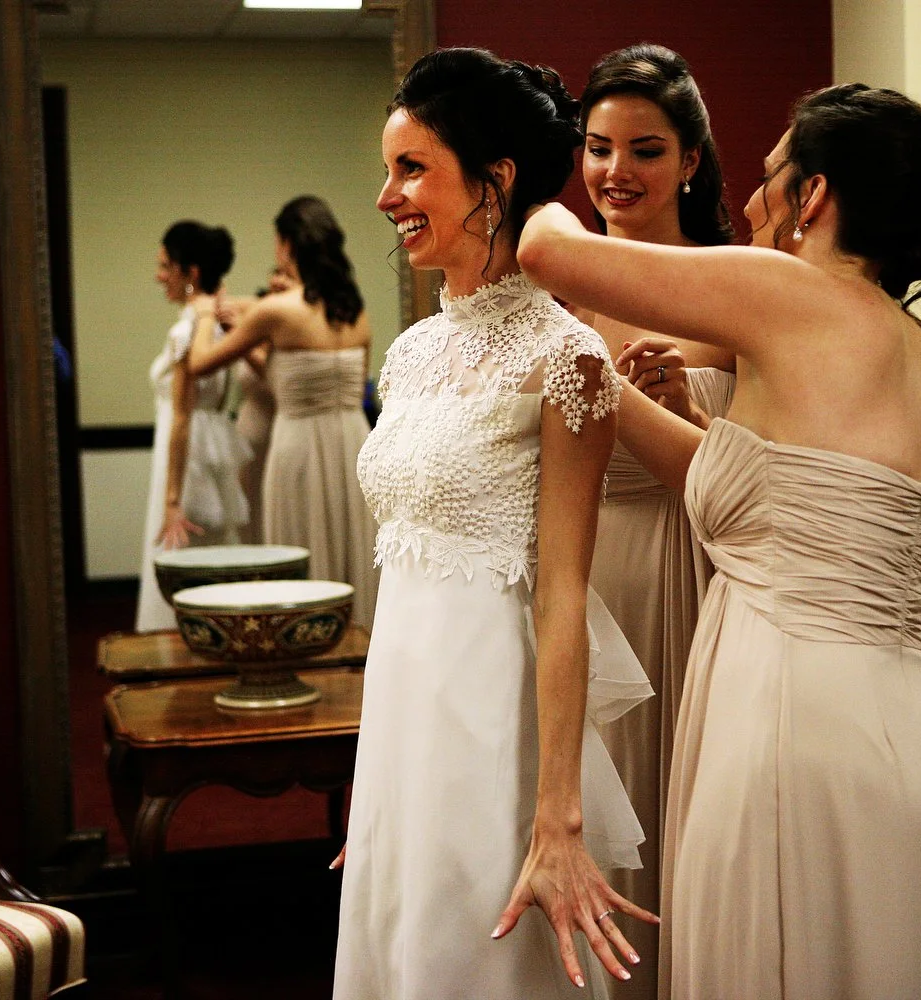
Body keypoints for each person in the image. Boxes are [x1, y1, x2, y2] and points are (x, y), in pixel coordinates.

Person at [520, 84, 921, 999]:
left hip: (790, 709)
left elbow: (549, 251)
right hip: (898, 717)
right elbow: (756, 492)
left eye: (771, 176)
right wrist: (617, 390)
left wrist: (526, 164)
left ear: (813, 198)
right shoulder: (910, 343)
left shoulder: (787, 289)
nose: (748, 202)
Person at [334, 48, 656, 999]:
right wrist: (378, 766)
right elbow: (404, 575)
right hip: (406, 722)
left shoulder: (568, 360)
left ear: (497, 180)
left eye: (412, 168)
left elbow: (562, 596)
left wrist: (557, 819)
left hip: (496, 731)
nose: (387, 195)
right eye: (388, 170)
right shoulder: (411, 354)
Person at [573, 43, 736, 997]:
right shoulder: (551, 290)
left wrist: (684, 412)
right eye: (597, 148)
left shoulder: (733, 286)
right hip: (589, 572)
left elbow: (772, 466)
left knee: (696, 801)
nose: (616, 172)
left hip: (709, 568)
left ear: (690, 161)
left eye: (644, 149)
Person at [186, 196, 378, 627]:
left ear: (288, 244)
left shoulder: (277, 311)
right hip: (355, 441)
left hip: (299, 446)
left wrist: (203, 317)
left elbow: (201, 363)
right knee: (352, 545)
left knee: (301, 547)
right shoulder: (355, 310)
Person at [134, 221, 249, 631]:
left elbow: (181, 416)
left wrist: (170, 501)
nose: (159, 276)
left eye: (166, 266)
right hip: (205, 451)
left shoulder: (188, 330)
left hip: (186, 462)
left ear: (192, 272)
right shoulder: (215, 324)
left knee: (184, 564)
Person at [217, 264, 296, 543]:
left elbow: (274, 375)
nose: (278, 280)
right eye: (276, 272)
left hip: (287, 430)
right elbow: (224, 304)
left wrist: (237, 338)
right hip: (253, 430)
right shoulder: (259, 317)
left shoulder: (300, 323)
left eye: (288, 274)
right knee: (251, 513)